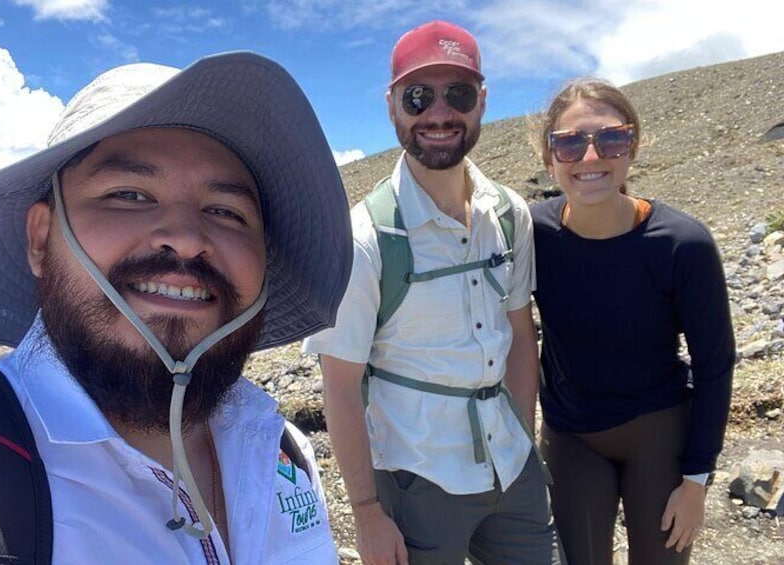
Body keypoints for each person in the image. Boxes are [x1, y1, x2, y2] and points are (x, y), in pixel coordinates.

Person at [0, 52, 353, 563]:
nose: (185, 239)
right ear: (42, 239)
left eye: (225, 211)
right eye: (129, 194)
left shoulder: (282, 449)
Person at [303, 20, 563, 565]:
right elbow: (341, 385)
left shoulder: (510, 214)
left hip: (511, 466)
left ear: (482, 101)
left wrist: (523, 435)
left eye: (459, 94)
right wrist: (367, 512)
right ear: (393, 106)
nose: (439, 114)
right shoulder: (364, 238)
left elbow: (519, 334)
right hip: (416, 478)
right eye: (418, 96)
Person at [530, 78, 735, 565]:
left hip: (660, 436)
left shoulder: (682, 244)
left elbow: (715, 362)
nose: (590, 157)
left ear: (632, 146)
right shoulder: (532, 234)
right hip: (571, 436)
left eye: (611, 138)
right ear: (549, 156)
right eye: (570, 142)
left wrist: (697, 481)